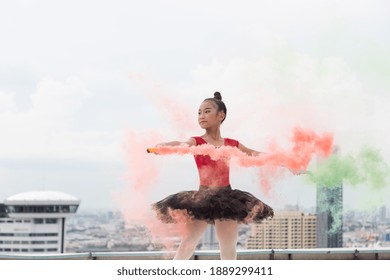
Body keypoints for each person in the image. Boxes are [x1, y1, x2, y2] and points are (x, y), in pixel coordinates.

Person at [149, 91, 276, 260]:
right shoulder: (196, 141)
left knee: (229, 249)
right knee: (187, 244)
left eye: (207, 111)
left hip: (227, 199)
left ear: (220, 115)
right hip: (202, 198)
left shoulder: (232, 144)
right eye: (199, 112)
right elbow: (181, 144)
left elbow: (255, 154)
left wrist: (285, 161)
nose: (201, 116)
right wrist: (164, 147)